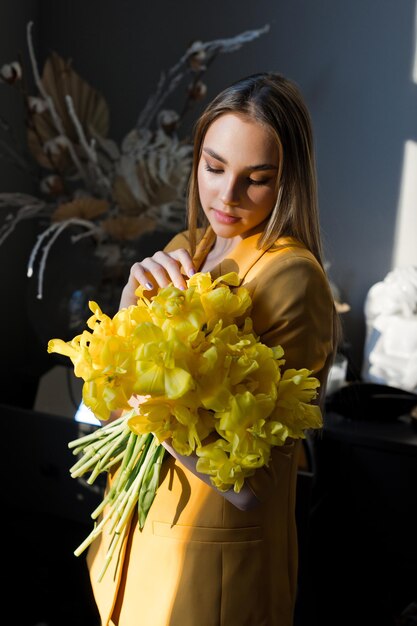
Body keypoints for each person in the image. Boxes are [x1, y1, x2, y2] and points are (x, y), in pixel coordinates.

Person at [87, 72, 338, 626]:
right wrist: (128, 305)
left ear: (288, 181)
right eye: (215, 167)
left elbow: (252, 486)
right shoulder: (186, 250)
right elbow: (105, 411)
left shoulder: (292, 280)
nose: (226, 196)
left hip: (211, 584)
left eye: (257, 179)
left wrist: (150, 399)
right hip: (133, 559)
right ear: (196, 157)